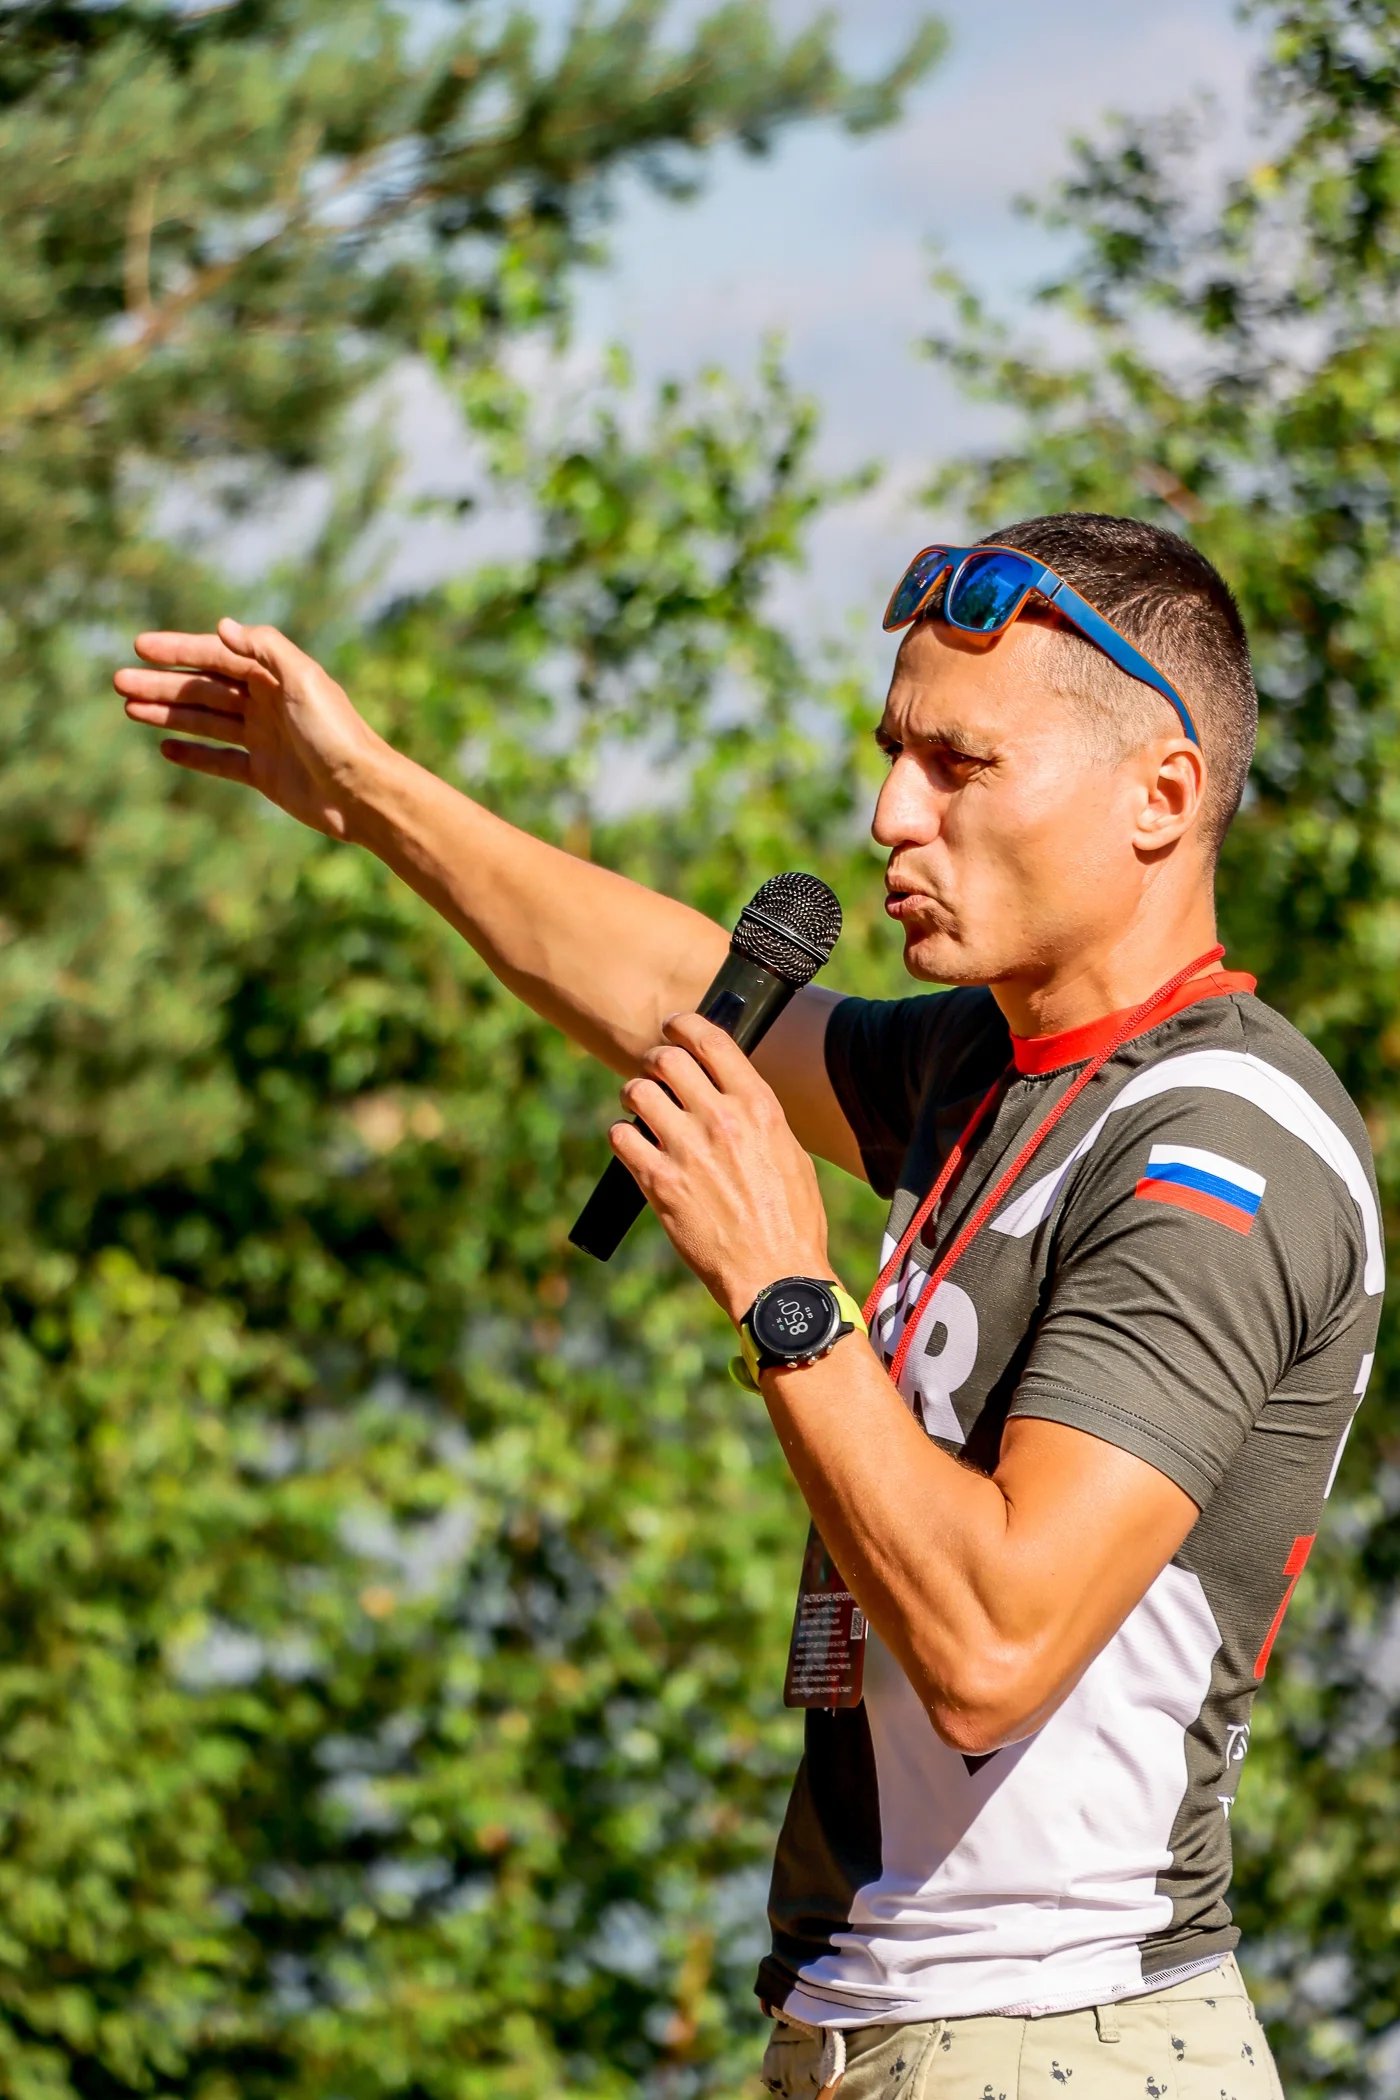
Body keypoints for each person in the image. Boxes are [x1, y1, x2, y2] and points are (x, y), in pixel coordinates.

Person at [116, 513, 1381, 2100]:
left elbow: (994, 1646)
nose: (890, 814)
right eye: (893, 754)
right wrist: (363, 788)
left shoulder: (1220, 1151)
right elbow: (684, 999)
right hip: (862, 2027)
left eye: (959, 765)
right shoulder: (990, 1071)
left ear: (1164, 796)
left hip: (1058, 2037)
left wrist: (790, 1291)